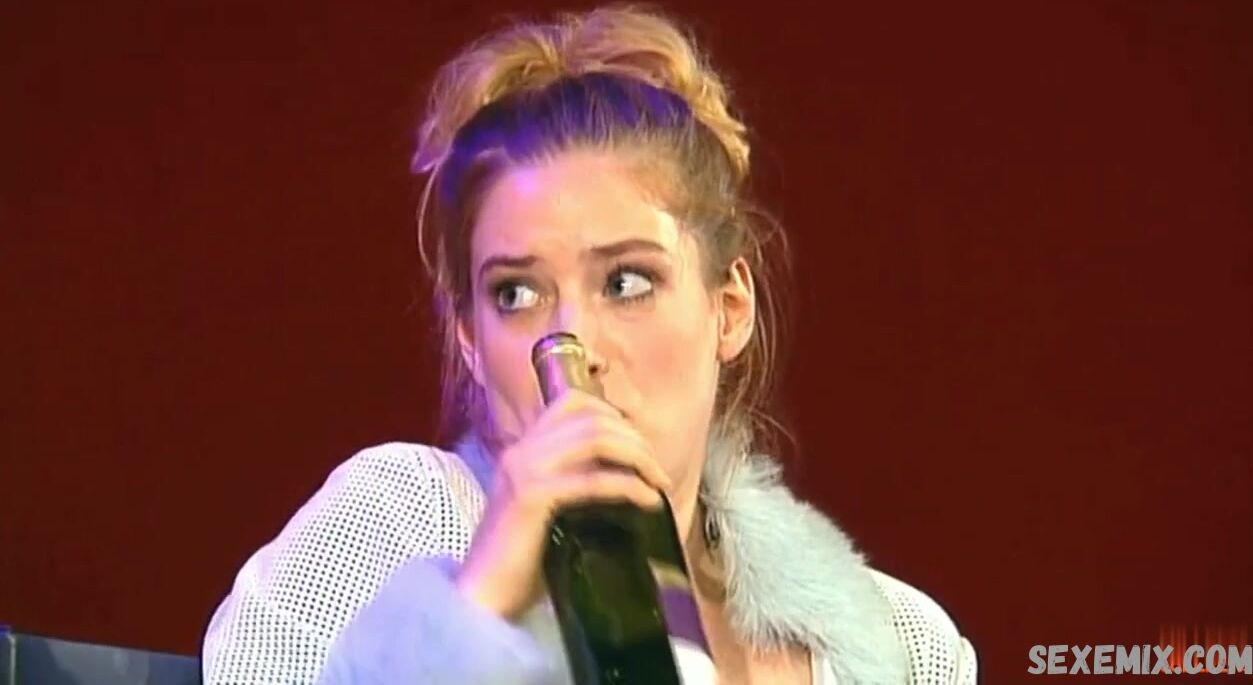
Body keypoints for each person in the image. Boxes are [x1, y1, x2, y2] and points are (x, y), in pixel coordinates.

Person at [201, 6, 976, 684]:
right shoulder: (396, 532)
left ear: (729, 306)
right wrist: (480, 600)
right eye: (516, 293)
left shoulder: (902, 645)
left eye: (627, 281)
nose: (570, 346)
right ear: (469, 338)